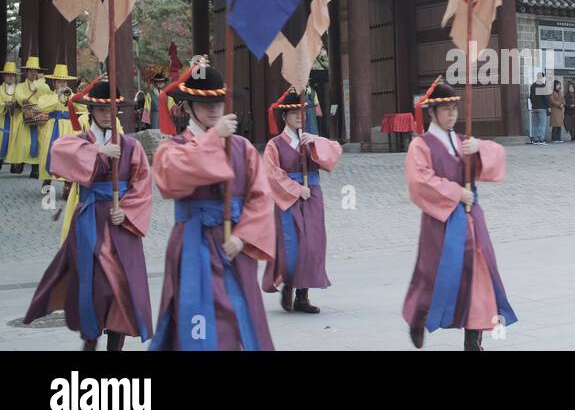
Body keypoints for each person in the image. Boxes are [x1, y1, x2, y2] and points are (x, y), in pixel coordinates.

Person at [150, 61, 276, 351]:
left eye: (218, 101)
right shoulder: (173, 149)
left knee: (239, 318)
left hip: (235, 244)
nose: (214, 108)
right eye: (203, 102)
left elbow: (261, 196)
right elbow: (172, 181)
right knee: (200, 320)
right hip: (193, 242)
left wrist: (243, 236)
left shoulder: (242, 148)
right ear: (187, 107)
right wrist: (213, 139)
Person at [23, 80, 153, 351]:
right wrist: (97, 151)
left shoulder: (130, 146)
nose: (107, 114)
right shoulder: (79, 141)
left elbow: (143, 183)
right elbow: (58, 155)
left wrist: (127, 211)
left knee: (122, 287)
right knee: (92, 286)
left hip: (121, 223)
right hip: (90, 219)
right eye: (101, 109)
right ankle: (90, 341)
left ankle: (115, 346)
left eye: (112, 109)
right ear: (91, 110)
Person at [402, 81, 516, 351]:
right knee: (432, 274)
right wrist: (455, 193)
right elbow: (420, 182)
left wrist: (481, 147)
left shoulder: (463, 141)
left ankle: (473, 340)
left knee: (479, 273)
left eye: (454, 109)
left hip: (471, 219)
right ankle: (418, 318)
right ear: (432, 112)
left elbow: (496, 156)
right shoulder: (421, 145)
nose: (452, 114)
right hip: (440, 221)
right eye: (445, 109)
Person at [261, 87, 343, 313]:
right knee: (291, 247)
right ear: (284, 116)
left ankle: (302, 295)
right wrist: (296, 189)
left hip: (312, 194)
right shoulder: (275, 144)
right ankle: (288, 284)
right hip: (289, 198)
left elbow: (333, 156)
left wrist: (316, 141)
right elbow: (272, 173)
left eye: (302, 112)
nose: (300, 116)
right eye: (294, 112)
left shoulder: (310, 139)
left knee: (312, 245)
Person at [37, 64, 81, 193]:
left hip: (69, 127)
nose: (62, 84)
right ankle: (47, 179)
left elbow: (83, 108)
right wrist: (58, 94)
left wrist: (70, 97)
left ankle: (67, 183)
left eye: (64, 81)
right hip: (52, 126)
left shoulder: (71, 95)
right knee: (48, 151)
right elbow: (42, 106)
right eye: (59, 81)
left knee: (69, 154)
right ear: (54, 82)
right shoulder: (49, 96)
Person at [9, 56, 52, 179]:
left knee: (39, 142)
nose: (33, 73)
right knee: (24, 143)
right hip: (25, 118)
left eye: (35, 71)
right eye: (31, 71)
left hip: (39, 118)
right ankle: (20, 163)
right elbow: (20, 98)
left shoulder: (43, 85)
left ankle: (35, 169)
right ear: (26, 72)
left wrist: (39, 83)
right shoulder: (20, 86)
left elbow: (49, 96)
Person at [0, 61, 23, 173]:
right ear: (4, 76)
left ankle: (15, 165)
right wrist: (5, 105)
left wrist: (17, 104)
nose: (10, 77)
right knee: (1, 141)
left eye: (12, 75)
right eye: (8, 75)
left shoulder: (19, 89)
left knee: (15, 140)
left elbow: (22, 101)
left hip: (15, 119)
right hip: (2, 119)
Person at [528, 72, 550, 145]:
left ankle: (535, 139)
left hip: (534, 107)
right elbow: (545, 98)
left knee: (535, 124)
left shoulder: (532, 86)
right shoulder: (543, 86)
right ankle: (541, 139)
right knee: (542, 124)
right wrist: (548, 107)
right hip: (542, 108)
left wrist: (533, 104)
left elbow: (531, 97)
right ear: (543, 77)